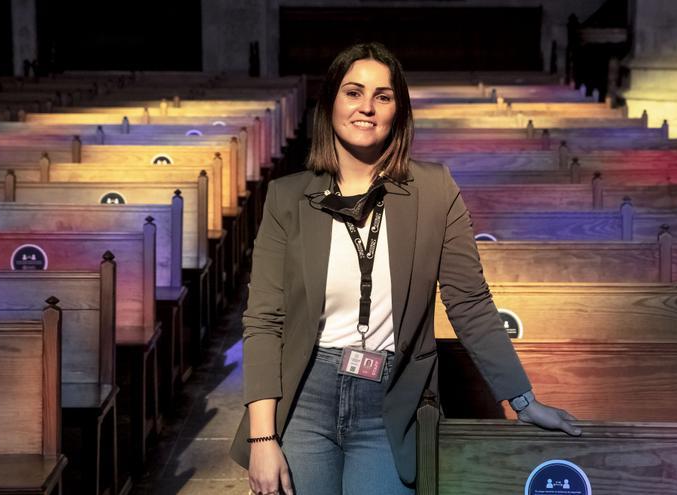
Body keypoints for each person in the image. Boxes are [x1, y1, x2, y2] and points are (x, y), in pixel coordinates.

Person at [230, 42, 581, 495]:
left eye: (383, 96)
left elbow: (470, 302)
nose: (367, 108)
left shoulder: (435, 190)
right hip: (305, 399)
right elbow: (264, 321)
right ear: (330, 103)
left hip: (390, 399)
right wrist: (263, 438)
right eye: (353, 93)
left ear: (398, 110)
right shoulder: (286, 198)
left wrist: (522, 399)